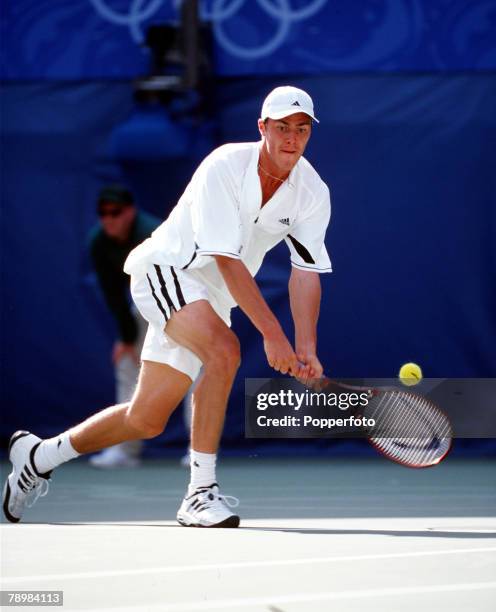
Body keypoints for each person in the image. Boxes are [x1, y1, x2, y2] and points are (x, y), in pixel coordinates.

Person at [3, 86, 332, 528]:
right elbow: (226, 258)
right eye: (282, 127)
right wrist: (274, 334)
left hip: (213, 295)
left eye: (301, 129)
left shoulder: (312, 191)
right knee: (225, 350)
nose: (291, 138)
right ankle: (200, 493)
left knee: (146, 419)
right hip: (169, 269)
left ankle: (40, 455)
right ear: (262, 128)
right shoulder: (224, 166)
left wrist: (306, 345)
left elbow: (305, 271)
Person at [87, 185, 160, 468]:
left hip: (185, 304)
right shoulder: (98, 242)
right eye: (103, 213)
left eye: (115, 212)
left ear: (130, 212)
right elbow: (114, 295)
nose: (109, 219)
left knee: (198, 374)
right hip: (145, 306)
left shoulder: (152, 234)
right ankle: (125, 452)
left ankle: (199, 453)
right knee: (127, 365)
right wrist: (127, 337)